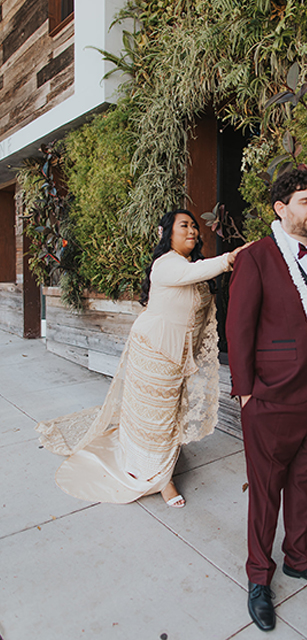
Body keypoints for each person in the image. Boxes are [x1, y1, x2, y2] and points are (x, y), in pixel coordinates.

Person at [37, 209, 246, 507]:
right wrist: (228, 259)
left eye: (195, 227)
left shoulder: (193, 265)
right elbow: (191, 275)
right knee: (154, 419)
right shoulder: (165, 264)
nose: (192, 232)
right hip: (153, 350)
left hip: (176, 357)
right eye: (184, 225)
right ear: (167, 233)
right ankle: (162, 480)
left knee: (167, 416)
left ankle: (158, 465)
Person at [226, 168, 307, 632]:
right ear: (281, 209)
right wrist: (245, 393)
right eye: (304, 200)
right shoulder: (257, 257)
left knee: (306, 483)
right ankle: (260, 577)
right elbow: (238, 328)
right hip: (272, 396)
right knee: (265, 491)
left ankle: (300, 558)